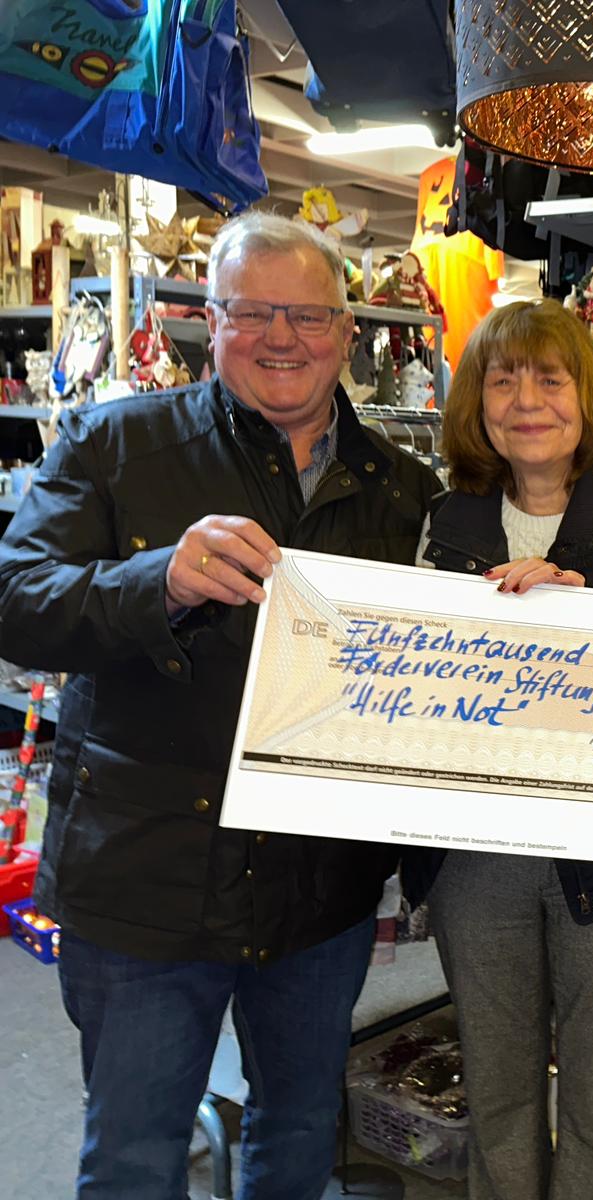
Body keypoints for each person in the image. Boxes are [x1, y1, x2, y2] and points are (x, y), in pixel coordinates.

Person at [0, 212, 440, 1198]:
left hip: (318, 892)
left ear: (347, 332)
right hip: (147, 883)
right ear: (210, 320)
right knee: (135, 1157)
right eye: (253, 313)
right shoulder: (117, 444)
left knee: (299, 1134)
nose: (282, 337)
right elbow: (14, 604)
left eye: (308, 315)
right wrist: (153, 581)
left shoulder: (402, 490)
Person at [406, 299, 593, 1200]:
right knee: (497, 1093)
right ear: (476, 404)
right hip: (474, 853)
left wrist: (574, 621)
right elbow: (418, 688)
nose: (527, 401)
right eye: (503, 380)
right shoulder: (444, 521)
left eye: (551, 379)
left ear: (586, 397)